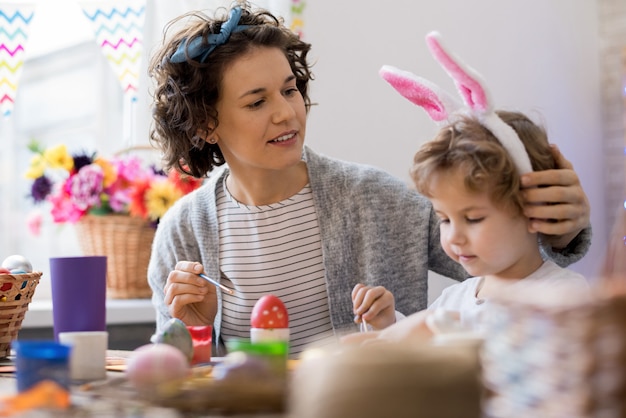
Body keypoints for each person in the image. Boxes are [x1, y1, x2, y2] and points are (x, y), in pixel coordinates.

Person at [146, 1, 591, 356]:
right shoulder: (183, 233)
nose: (287, 111)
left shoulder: (378, 199)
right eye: (256, 101)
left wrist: (562, 228)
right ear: (205, 124)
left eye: (289, 89)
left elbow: (509, 266)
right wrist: (195, 330)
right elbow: (169, 371)